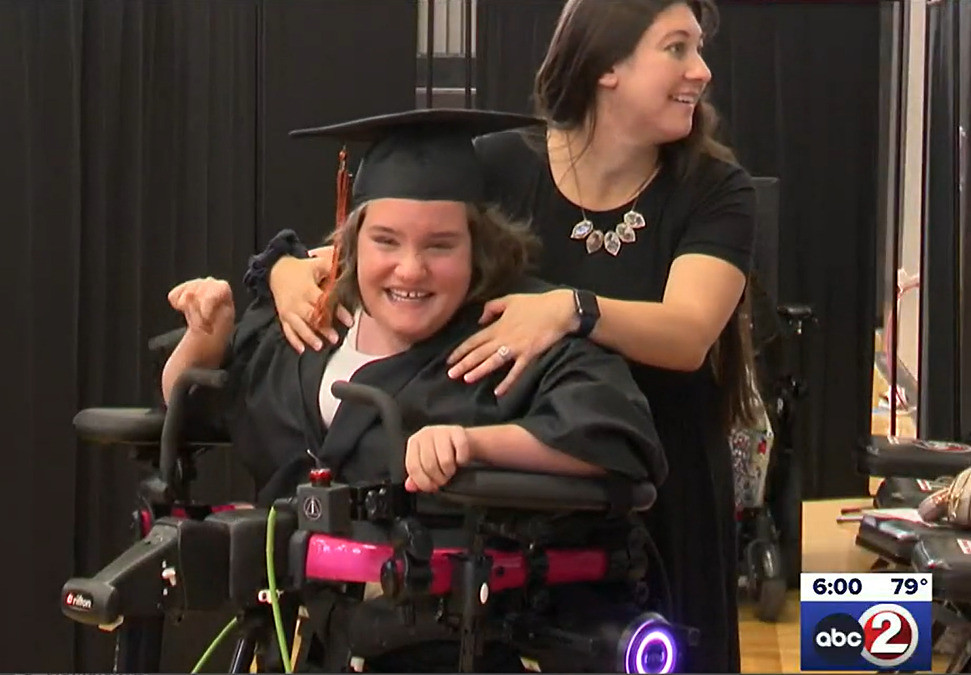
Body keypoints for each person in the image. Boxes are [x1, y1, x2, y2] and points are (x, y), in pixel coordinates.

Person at [250, 2, 760, 672]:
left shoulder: (713, 189)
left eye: (697, 49)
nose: (699, 71)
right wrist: (285, 271)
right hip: (522, 499)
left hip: (661, 483)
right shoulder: (498, 167)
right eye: (676, 49)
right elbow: (375, 252)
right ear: (606, 65)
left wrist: (571, 310)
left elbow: (688, 332)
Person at [162, 107, 667, 518]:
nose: (410, 270)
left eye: (440, 246)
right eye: (386, 241)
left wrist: (472, 445)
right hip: (284, 624)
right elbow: (191, 406)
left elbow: (616, 436)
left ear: (478, 248)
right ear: (353, 242)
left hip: (442, 625)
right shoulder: (303, 325)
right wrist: (208, 336)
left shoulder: (512, 334)